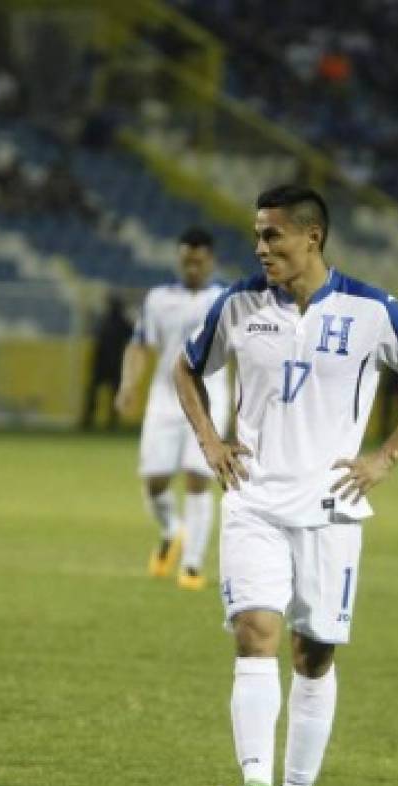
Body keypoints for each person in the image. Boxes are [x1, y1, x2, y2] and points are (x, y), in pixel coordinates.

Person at [174, 184, 398, 786]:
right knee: (254, 636)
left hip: (332, 508)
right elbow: (187, 370)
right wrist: (211, 439)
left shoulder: (374, 310)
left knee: (314, 653)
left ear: (312, 237)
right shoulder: (238, 304)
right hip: (254, 501)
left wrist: (386, 458)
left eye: (271, 235)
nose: (260, 247)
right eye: (256, 235)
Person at [115, 227, 230, 590]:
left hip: (210, 396)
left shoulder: (227, 299)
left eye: (198, 261)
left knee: (198, 479)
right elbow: (139, 345)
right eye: (186, 261)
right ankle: (171, 530)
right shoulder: (158, 298)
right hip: (165, 396)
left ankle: (192, 565)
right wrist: (128, 385)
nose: (192, 267)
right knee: (155, 481)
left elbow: (242, 353)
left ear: (210, 260)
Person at [81, 292, 133, 430]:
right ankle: (109, 421)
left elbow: (95, 338)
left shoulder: (104, 321)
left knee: (97, 392)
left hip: (103, 363)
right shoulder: (122, 322)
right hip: (114, 363)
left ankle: (90, 419)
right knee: (110, 393)